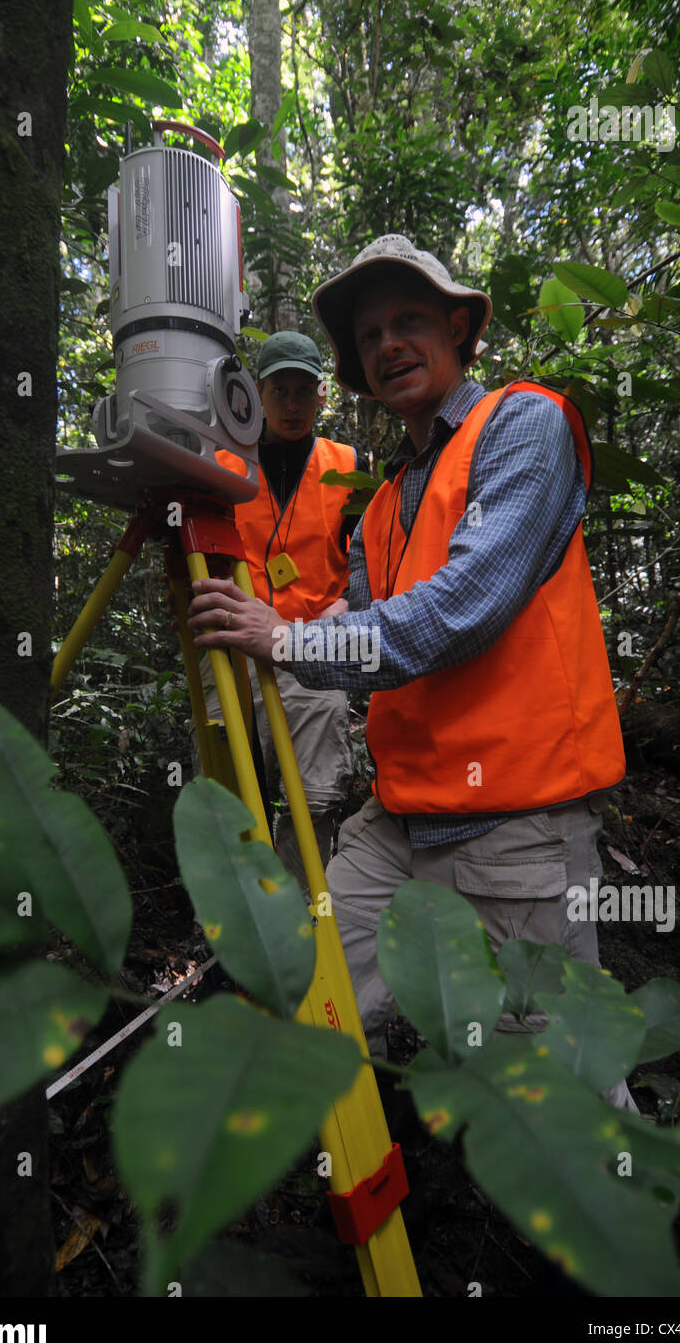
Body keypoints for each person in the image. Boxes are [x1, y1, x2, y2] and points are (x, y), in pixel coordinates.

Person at [188, 237, 632, 1107]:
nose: (387, 344)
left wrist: (285, 641)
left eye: (410, 321)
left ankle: (648, 1224)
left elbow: (465, 604)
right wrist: (286, 627)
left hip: (517, 832)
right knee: (312, 994)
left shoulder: (523, 425)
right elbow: (361, 636)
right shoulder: (386, 500)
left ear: (459, 328)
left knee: (558, 1094)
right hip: (399, 824)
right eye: (370, 334)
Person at [201, 331, 357, 886]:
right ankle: (235, 932)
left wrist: (343, 609)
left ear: (321, 395)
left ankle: (304, 922)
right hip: (231, 641)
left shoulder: (348, 466)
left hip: (313, 650)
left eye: (304, 390)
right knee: (228, 796)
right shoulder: (222, 464)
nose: (292, 404)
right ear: (257, 395)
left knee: (310, 801)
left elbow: (369, 564)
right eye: (279, 390)